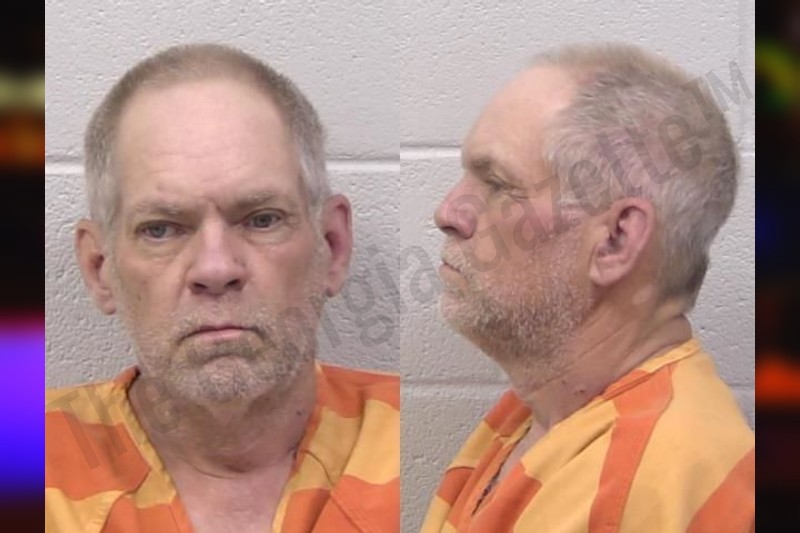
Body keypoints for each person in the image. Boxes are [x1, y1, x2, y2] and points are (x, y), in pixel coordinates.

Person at [45, 43, 399, 533]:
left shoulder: (406, 443)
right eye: (161, 229)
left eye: (262, 219)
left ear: (332, 246)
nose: (215, 268)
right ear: (100, 268)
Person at [423, 42, 754, 532]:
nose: (448, 212)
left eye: (497, 184)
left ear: (616, 240)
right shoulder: (544, 415)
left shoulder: (645, 490)